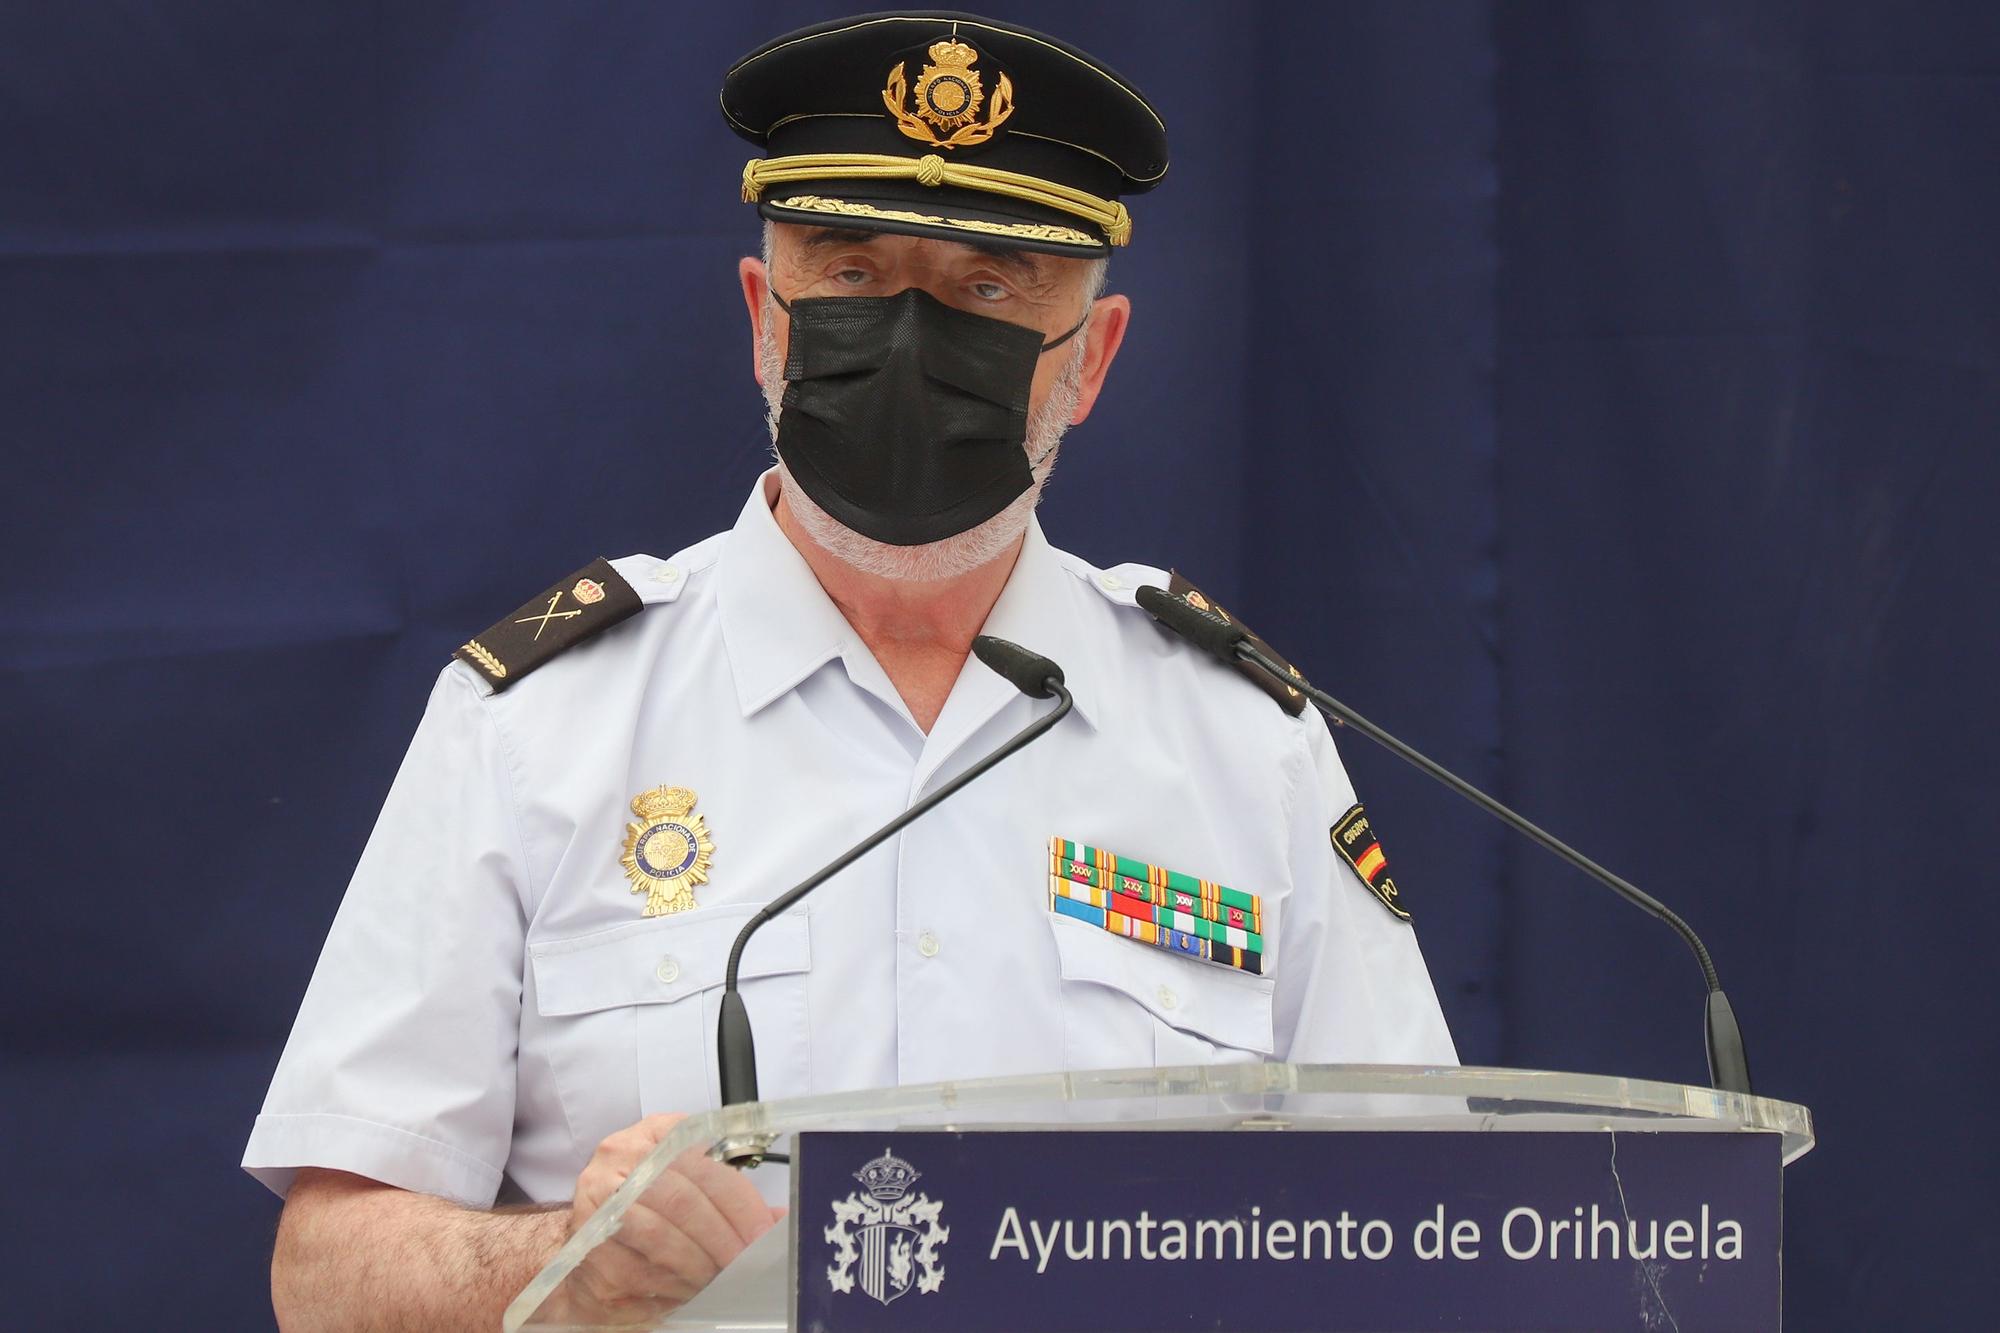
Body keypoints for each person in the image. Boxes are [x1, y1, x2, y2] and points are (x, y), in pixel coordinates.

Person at [245, 11, 1456, 1328]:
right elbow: (324, 1270)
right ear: (767, 318)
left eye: (988, 286)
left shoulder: (1242, 744)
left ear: (1094, 357)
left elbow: (1419, 1229)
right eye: (854, 271)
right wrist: (565, 1261)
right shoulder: (541, 722)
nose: (911, 339)